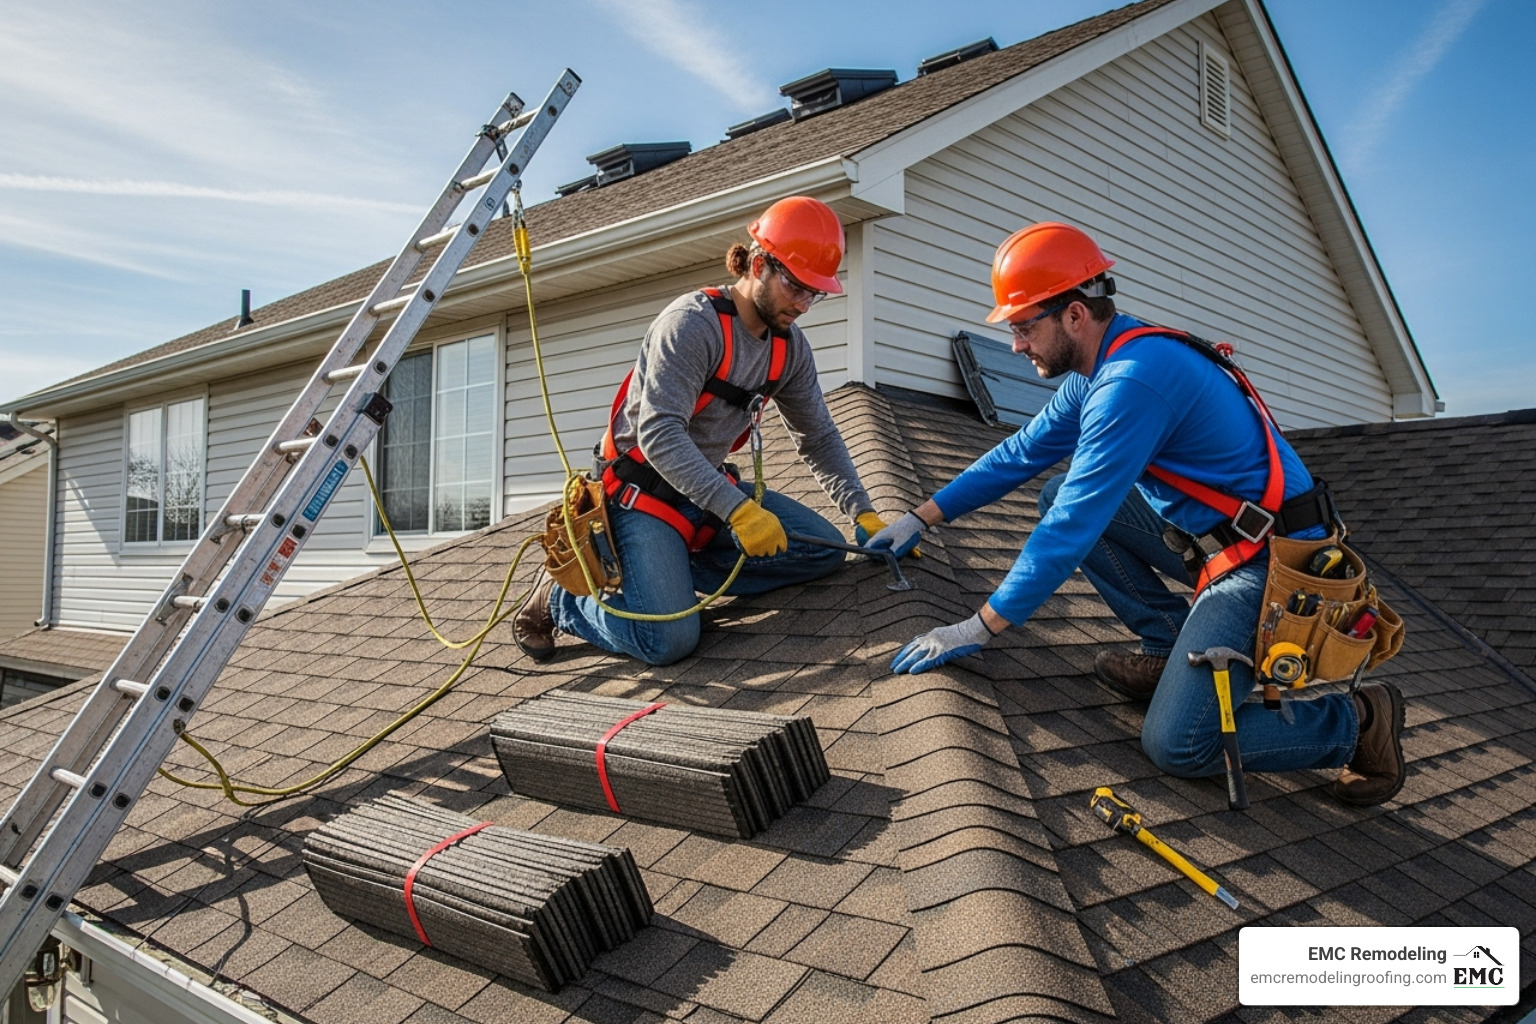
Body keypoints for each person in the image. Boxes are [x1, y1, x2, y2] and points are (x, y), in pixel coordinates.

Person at [865, 221, 1405, 807]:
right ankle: (1171, 645)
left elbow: (1070, 527)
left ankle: (1358, 723)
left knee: (1179, 744)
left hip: (1275, 568)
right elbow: (1022, 453)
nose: (1016, 345)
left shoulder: (1133, 381)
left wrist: (979, 627)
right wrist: (920, 517)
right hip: (1226, 543)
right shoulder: (1108, 361)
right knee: (1052, 494)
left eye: (1023, 327)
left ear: (1074, 315)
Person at [514, 196, 891, 666]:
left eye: (815, 293)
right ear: (758, 264)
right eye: (796, 287)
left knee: (823, 553)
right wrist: (738, 511)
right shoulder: (692, 325)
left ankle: (660, 580)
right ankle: (561, 601)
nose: (804, 305)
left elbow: (818, 437)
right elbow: (659, 435)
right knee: (668, 641)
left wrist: (863, 511)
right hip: (640, 494)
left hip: (704, 491)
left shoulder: (789, 349)